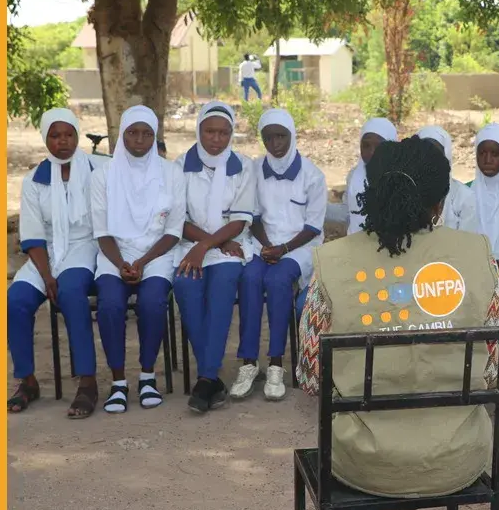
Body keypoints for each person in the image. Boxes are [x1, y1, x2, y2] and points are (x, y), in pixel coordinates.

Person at [295, 136, 499, 510]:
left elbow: (311, 379)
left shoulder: (334, 261)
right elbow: (494, 374)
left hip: (366, 462)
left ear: (371, 193)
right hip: (455, 455)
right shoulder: (478, 254)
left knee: (352, 438)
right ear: (440, 202)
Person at [8, 108, 107, 418]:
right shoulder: (34, 180)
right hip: (47, 252)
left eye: (68, 135)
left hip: (84, 245)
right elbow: (33, 234)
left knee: (71, 293)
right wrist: (47, 274)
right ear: (45, 138)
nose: (62, 141)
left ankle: (87, 382)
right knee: (15, 300)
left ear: (77, 136)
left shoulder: (99, 169)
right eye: (55, 135)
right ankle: (28, 380)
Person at [90, 105, 186, 413]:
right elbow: (102, 231)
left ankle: (147, 376)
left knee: (153, 302)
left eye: (147, 134)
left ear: (155, 136)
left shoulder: (171, 172)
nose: (140, 140)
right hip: (113, 254)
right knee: (110, 304)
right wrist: (121, 264)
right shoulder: (103, 174)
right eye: (133, 132)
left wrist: (143, 262)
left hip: (157, 254)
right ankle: (118, 382)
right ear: (122, 135)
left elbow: (173, 231)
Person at [233, 108, 327, 401]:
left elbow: (313, 226)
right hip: (264, 244)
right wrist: (265, 247)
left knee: (277, 282)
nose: (275, 143)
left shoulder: (312, 175)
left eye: (281, 136)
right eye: (268, 137)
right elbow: (255, 216)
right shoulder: (254, 170)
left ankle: (276, 363)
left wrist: (283, 249)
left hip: (299, 248)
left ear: (292, 135)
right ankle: (249, 362)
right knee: (248, 278)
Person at [172, 102, 256, 413]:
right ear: (199, 131)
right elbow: (177, 219)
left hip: (230, 244)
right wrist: (204, 245)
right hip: (192, 244)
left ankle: (206, 377)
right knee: (184, 285)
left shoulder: (244, 167)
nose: (217, 139)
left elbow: (239, 221)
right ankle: (212, 379)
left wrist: (208, 246)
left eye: (224, 132)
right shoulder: (180, 166)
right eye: (210, 131)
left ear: (232, 134)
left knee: (222, 289)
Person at [467, 123, 499, 281]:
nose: (488, 160)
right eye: (482, 153)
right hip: (471, 267)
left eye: (495, 154)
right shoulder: (465, 193)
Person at [416, 125, 479, 232]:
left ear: (446, 157)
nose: (429, 160)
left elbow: (466, 242)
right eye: (423, 154)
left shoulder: (464, 198)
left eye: (436, 155)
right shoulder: (406, 193)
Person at [344, 118, 398, 234]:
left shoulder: (402, 179)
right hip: (356, 246)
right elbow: (347, 212)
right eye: (366, 145)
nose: (372, 152)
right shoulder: (354, 176)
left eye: (380, 146)